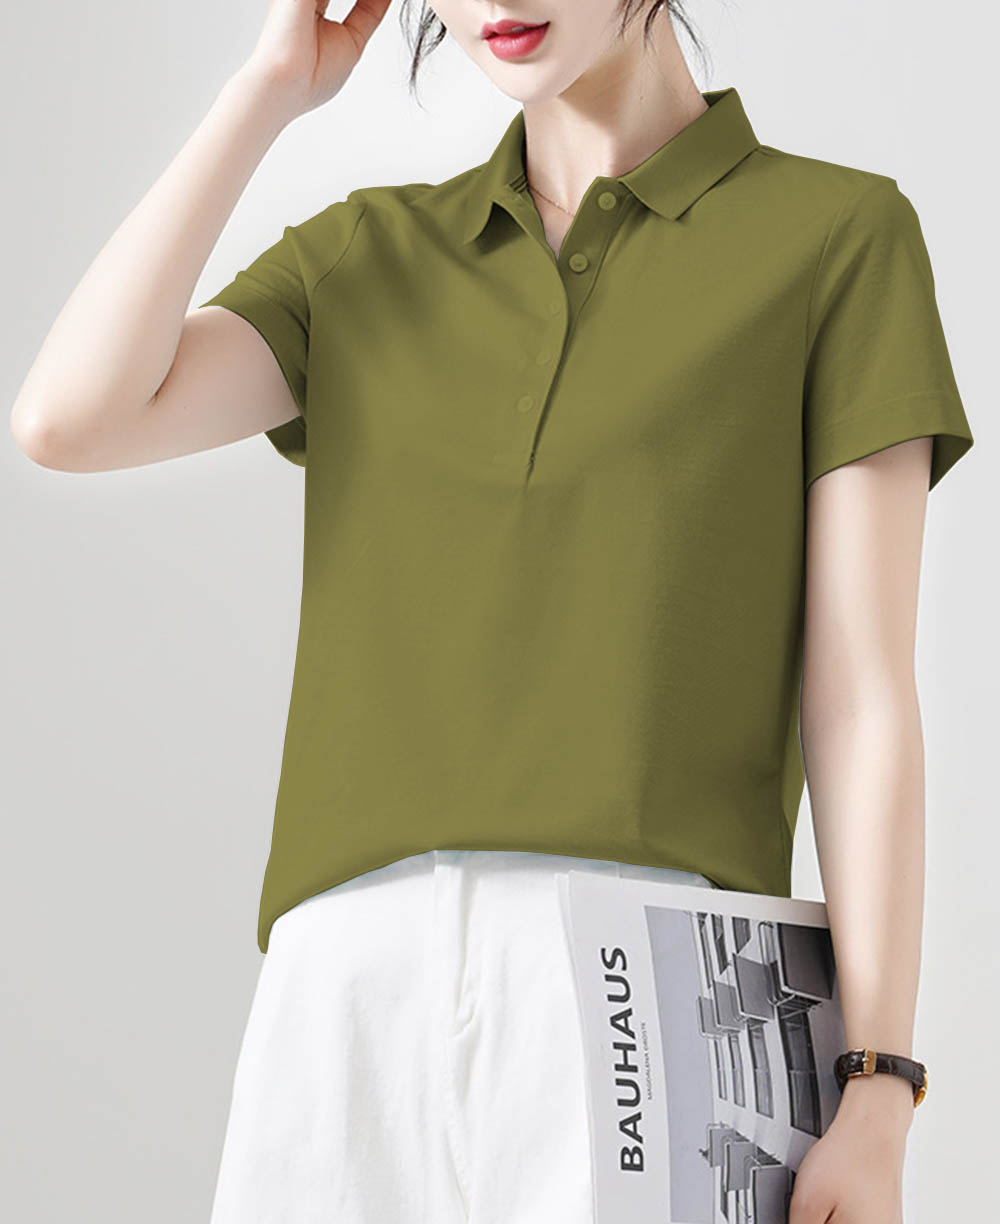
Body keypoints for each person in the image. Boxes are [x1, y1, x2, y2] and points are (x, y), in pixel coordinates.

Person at [10, 2, 975, 1222]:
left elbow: (861, 699)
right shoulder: (368, 254)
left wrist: (877, 1084)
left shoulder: (835, 238)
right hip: (343, 986)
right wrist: (266, 90)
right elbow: (69, 419)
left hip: (649, 978)